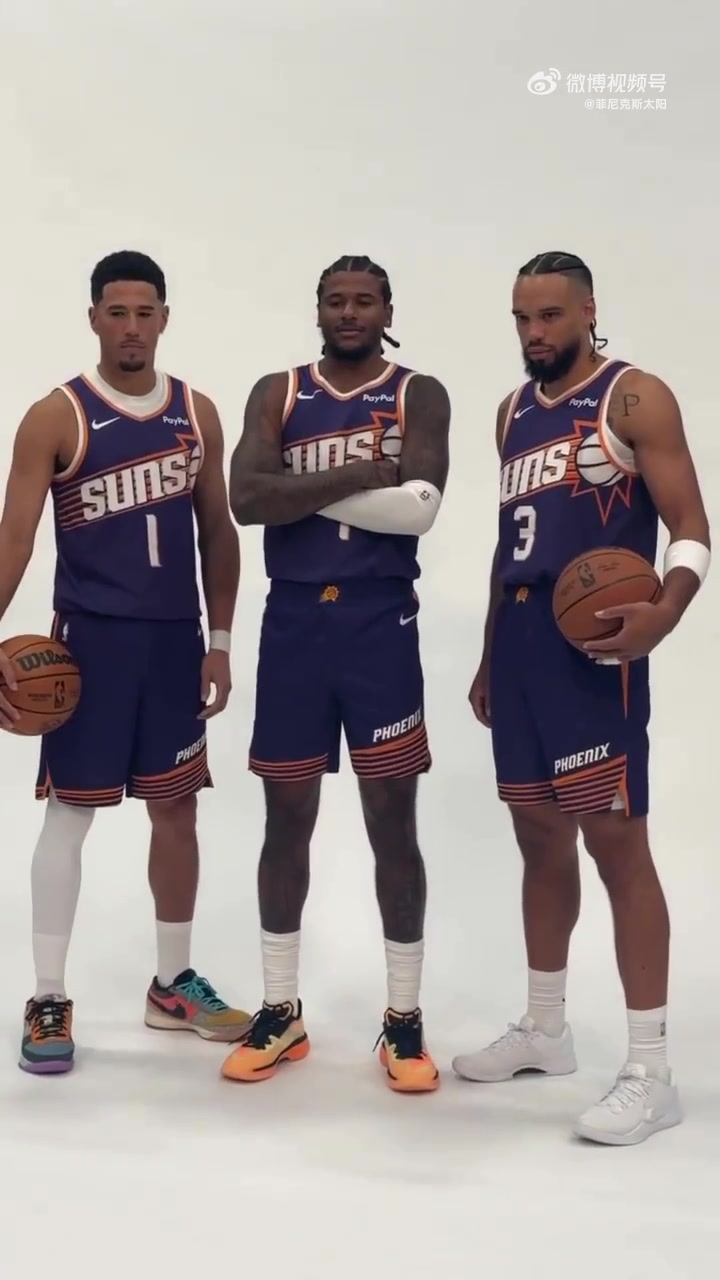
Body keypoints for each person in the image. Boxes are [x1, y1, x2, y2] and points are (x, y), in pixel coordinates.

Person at [452, 251, 710, 1143]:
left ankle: (651, 1071)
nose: (534, 333)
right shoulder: (511, 413)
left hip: (596, 650)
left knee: (616, 843)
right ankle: (546, 1027)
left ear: (589, 311)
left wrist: (666, 612)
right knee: (537, 835)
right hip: (523, 644)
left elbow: (691, 525)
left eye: (551, 316)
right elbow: (507, 546)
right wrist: (490, 655)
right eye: (522, 318)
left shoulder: (634, 398)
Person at [0, 250, 251, 1074]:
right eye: (117, 312)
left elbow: (218, 532)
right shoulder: (56, 415)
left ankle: (172, 984)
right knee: (70, 814)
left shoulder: (196, 412)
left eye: (146, 313)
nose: (132, 327)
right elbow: (14, 538)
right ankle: (47, 995)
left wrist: (220, 642)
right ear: (94, 319)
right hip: (90, 645)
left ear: (165, 319)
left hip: (175, 641)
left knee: (176, 811)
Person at [222, 254, 450, 1091]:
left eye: (364, 301)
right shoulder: (278, 391)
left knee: (393, 822)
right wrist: (359, 473)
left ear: (388, 309)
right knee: (286, 819)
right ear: (317, 310)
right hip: (293, 623)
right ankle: (280, 1010)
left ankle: (403, 1020)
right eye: (335, 300)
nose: (349, 312)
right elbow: (245, 499)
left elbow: (419, 508)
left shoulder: (418, 393)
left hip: (379, 621)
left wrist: (295, 486)